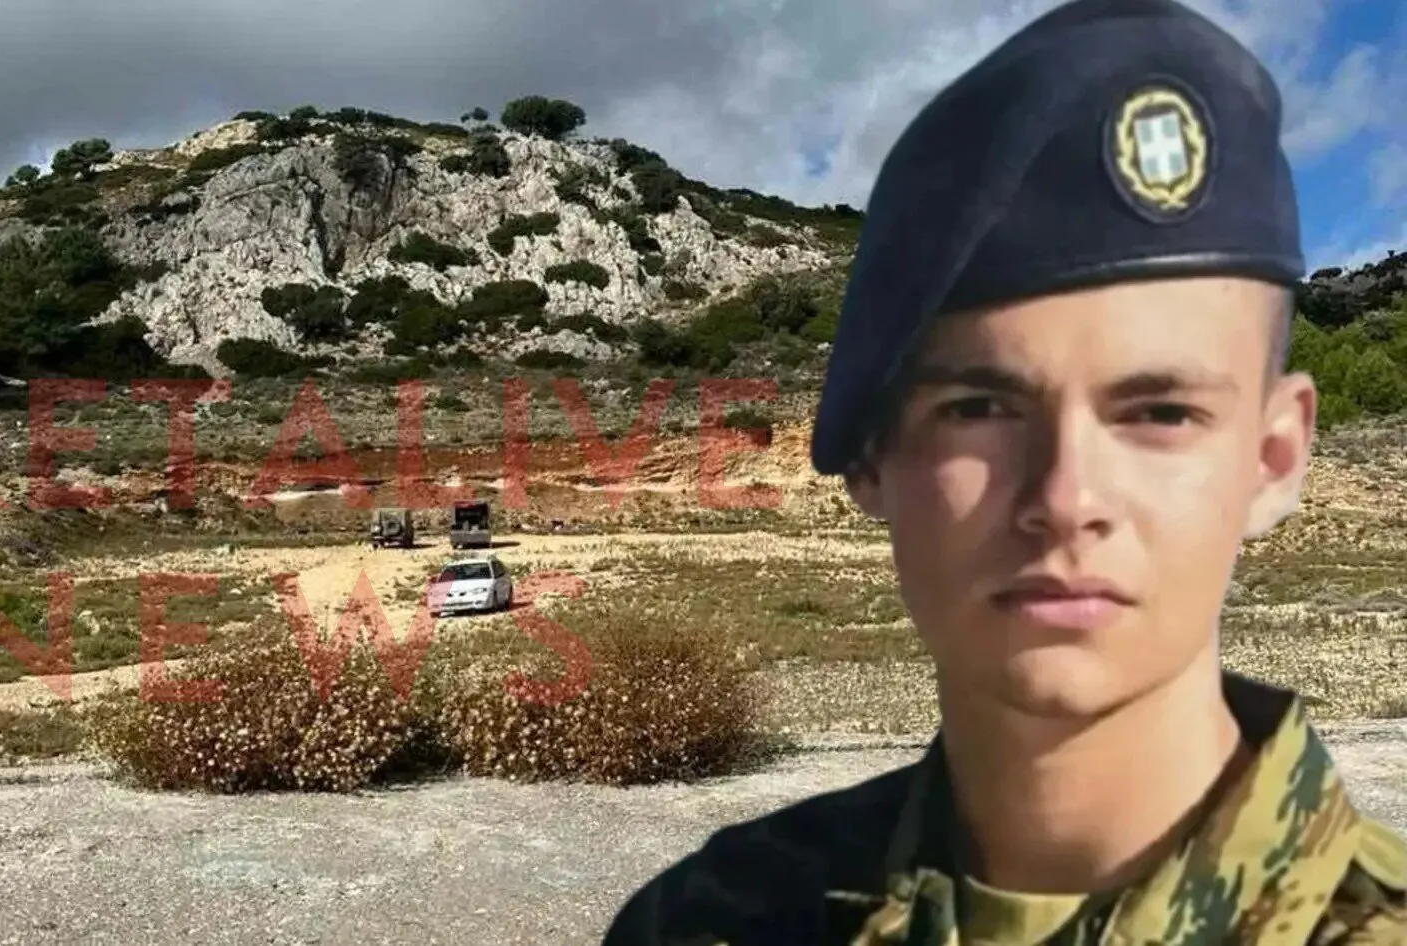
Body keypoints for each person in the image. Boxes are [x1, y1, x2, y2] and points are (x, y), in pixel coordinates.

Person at [600, 0, 1407, 942]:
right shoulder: (705, 922)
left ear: (1274, 459)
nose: (1066, 500)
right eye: (979, 409)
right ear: (870, 451)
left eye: (1160, 412)